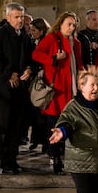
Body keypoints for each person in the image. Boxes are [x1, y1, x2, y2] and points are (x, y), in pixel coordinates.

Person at [0, 2, 34, 174]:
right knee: (2, 127)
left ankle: (12, 160)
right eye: (16, 17)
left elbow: (30, 57)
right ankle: (2, 162)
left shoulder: (24, 35)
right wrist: (8, 74)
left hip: (18, 90)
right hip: (1, 90)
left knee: (16, 127)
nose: (20, 20)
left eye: (22, 17)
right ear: (8, 17)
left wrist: (28, 68)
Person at [32, 11, 84, 174]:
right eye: (68, 24)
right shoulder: (51, 38)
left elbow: (80, 63)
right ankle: (55, 158)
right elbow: (36, 54)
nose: (71, 27)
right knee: (53, 124)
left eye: (74, 24)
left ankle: (65, 156)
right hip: (56, 90)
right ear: (60, 24)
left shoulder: (76, 42)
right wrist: (54, 58)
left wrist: (83, 78)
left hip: (72, 90)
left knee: (69, 124)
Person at [49, 66, 98, 193]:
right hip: (81, 163)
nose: (96, 88)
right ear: (82, 87)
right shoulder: (74, 106)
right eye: (92, 85)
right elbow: (67, 121)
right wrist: (61, 131)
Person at [28, 18, 51, 152]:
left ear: (41, 30)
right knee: (36, 112)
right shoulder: (33, 41)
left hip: (44, 81)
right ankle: (36, 140)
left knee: (42, 111)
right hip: (35, 80)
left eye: (34, 30)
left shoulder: (45, 42)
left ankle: (44, 143)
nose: (31, 33)